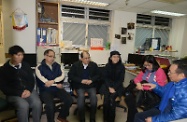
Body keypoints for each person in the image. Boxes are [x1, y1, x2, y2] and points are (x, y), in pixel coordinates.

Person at [0, 45, 41, 122]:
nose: (21, 57)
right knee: (23, 105)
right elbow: (4, 87)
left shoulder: (26, 65)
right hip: (14, 94)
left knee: (37, 103)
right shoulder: (4, 69)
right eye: (18, 55)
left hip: (28, 91)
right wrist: (19, 93)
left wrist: (28, 90)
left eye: (22, 55)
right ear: (11, 56)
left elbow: (31, 80)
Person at [125, 55, 168, 122]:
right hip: (144, 93)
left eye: (149, 65)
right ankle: (131, 119)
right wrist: (138, 84)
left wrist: (143, 87)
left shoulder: (159, 71)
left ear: (154, 63)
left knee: (132, 102)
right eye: (145, 65)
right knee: (128, 99)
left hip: (154, 95)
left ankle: (134, 118)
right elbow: (137, 79)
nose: (147, 67)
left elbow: (160, 87)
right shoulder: (145, 70)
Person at [35, 49, 73, 122]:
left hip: (57, 88)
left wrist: (54, 82)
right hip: (45, 90)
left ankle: (62, 116)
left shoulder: (58, 65)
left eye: (53, 57)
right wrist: (56, 83)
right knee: (50, 105)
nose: (52, 58)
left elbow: (62, 76)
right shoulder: (39, 67)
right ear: (45, 56)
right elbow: (44, 81)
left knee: (69, 100)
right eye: (50, 56)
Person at [68, 51, 100, 122]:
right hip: (80, 85)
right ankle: (82, 119)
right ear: (81, 59)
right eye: (85, 58)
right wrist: (81, 80)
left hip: (90, 85)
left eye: (88, 58)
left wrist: (91, 80)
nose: (87, 60)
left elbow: (98, 75)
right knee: (81, 97)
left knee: (94, 99)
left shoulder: (93, 65)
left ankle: (92, 118)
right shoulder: (75, 65)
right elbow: (71, 76)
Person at [100, 51, 125, 122]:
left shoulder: (122, 66)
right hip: (107, 85)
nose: (116, 58)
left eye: (118, 57)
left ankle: (111, 119)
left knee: (111, 100)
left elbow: (121, 80)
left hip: (118, 86)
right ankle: (105, 119)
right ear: (110, 58)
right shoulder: (107, 66)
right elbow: (105, 78)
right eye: (114, 57)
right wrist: (109, 87)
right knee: (106, 101)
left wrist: (114, 88)